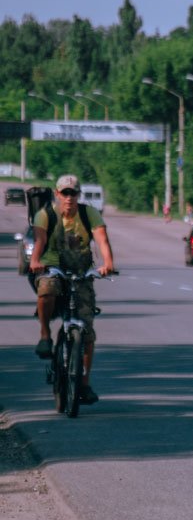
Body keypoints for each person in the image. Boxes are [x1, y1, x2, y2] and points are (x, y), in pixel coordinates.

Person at [29, 173, 116, 405]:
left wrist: (107, 264)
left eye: (73, 193)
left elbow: (102, 240)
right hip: (52, 265)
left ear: (79, 195)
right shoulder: (46, 214)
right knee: (47, 288)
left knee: (86, 330)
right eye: (65, 193)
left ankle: (84, 384)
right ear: (57, 194)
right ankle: (45, 335)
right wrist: (35, 260)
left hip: (81, 269)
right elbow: (39, 240)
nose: (69, 197)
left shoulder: (89, 214)